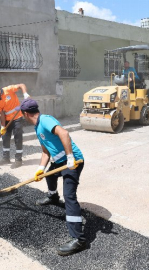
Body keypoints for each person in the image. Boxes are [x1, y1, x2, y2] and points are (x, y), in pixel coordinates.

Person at [19, 98, 86, 256]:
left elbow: (64, 133)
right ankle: (52, 196)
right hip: (59, 161)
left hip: (73, 161)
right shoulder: (37, 128)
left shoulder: (45, 120)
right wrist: (40, 169)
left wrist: (70, 157)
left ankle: (79, 240)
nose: (22, 117)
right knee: (50, 176)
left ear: (26, 114)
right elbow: (45, 151)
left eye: (22, 115)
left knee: (69, 197)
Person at [0, 83, 30, 167]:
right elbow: (1, 113)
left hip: (17, 117)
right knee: (5, 137)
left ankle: (18, 159)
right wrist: (2, 126)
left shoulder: (8, 90)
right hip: (7, 120)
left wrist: (25, 94)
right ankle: (6, 158)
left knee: (18, 136)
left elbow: (22, 85)